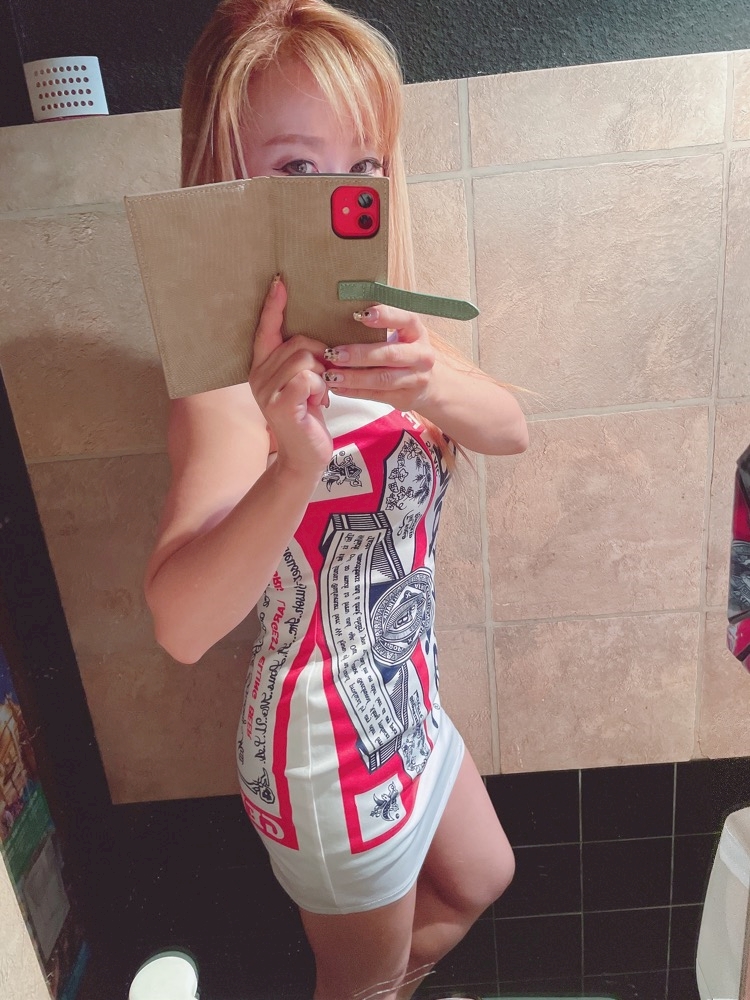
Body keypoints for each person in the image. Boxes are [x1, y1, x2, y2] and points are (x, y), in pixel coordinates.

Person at [144, 2, 528, 998]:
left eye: (360, 165)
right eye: (296, 168)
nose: (339, 198)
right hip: (329, 760)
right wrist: (291, 465)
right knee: (359, 983)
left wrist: (426, 377)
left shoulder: (384, 320)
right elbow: (181, 625)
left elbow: (510, 427)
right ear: (227, 181)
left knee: (484, 875)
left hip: (410, 702)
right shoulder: (226, 388)